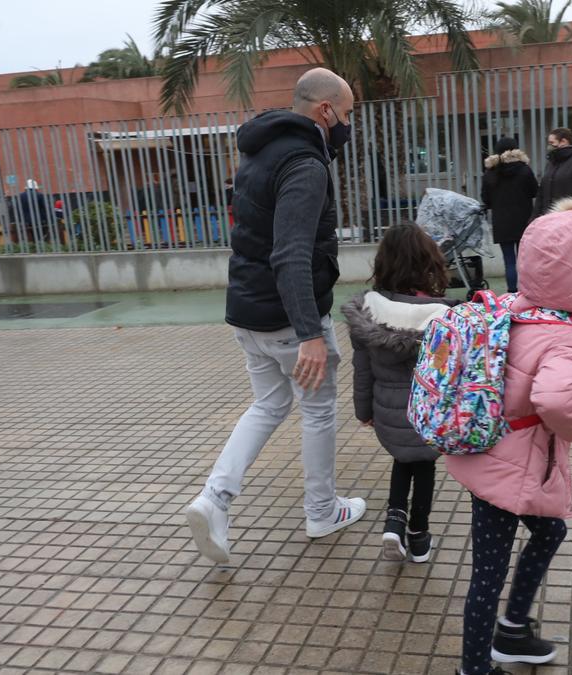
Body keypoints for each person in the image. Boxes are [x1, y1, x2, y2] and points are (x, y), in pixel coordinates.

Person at [183, 68, 365, 564]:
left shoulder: (258, 150)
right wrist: (309, 333)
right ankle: (322, 511)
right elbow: (290, 254)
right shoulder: (305, 164)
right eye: (346, 114)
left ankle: (214, 500)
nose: (347, 124)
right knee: (318, 409)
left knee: (267, 405)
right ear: (325, 110)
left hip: (247, 311)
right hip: (289, 320)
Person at [448, 197, 572, 675]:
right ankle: (476, 666)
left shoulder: (516, 308)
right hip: (507, 468)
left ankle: (512, 630)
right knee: (487, 575)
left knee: (550, 530)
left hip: (489, 452)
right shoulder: (567, 336)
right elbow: (556, 401)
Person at [340, 224, 457, 563]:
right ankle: (418, 537)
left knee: (402, 459)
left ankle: (394, 519)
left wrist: (364, 411)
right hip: (428, 415)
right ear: (428, 262)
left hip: (387, 414)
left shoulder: (369, 311)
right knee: (423, 466)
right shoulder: (443, 317)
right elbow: (448, 374)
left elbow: (361, 369)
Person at [482, 137, 538, 293]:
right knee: (524, 260)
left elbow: (486, 200)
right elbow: (535, 191)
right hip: (524, 221)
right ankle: (527, 292)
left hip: (502, 223)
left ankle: (512, 292)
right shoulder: (525, 170)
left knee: (509, 261)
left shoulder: (490, 173)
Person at [532, 127, 572, 220]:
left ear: (563, 141)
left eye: (552, 143)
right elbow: (542, 193)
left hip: (569, 220)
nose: (549, 146)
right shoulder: (552, 163)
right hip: (548, 219)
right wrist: (535, 218)